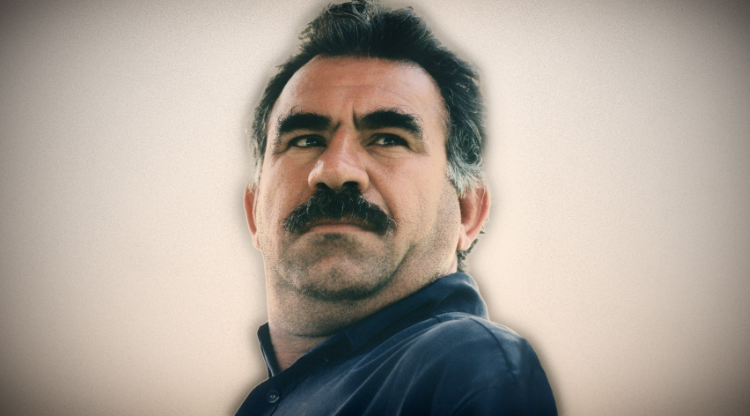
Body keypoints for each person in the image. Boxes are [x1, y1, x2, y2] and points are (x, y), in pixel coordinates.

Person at [236, 1, 557, 414]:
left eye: (389, 139)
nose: (334, 170)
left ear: (467, 211)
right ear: (254, 212)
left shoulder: (467, 363)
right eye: (305, 140)